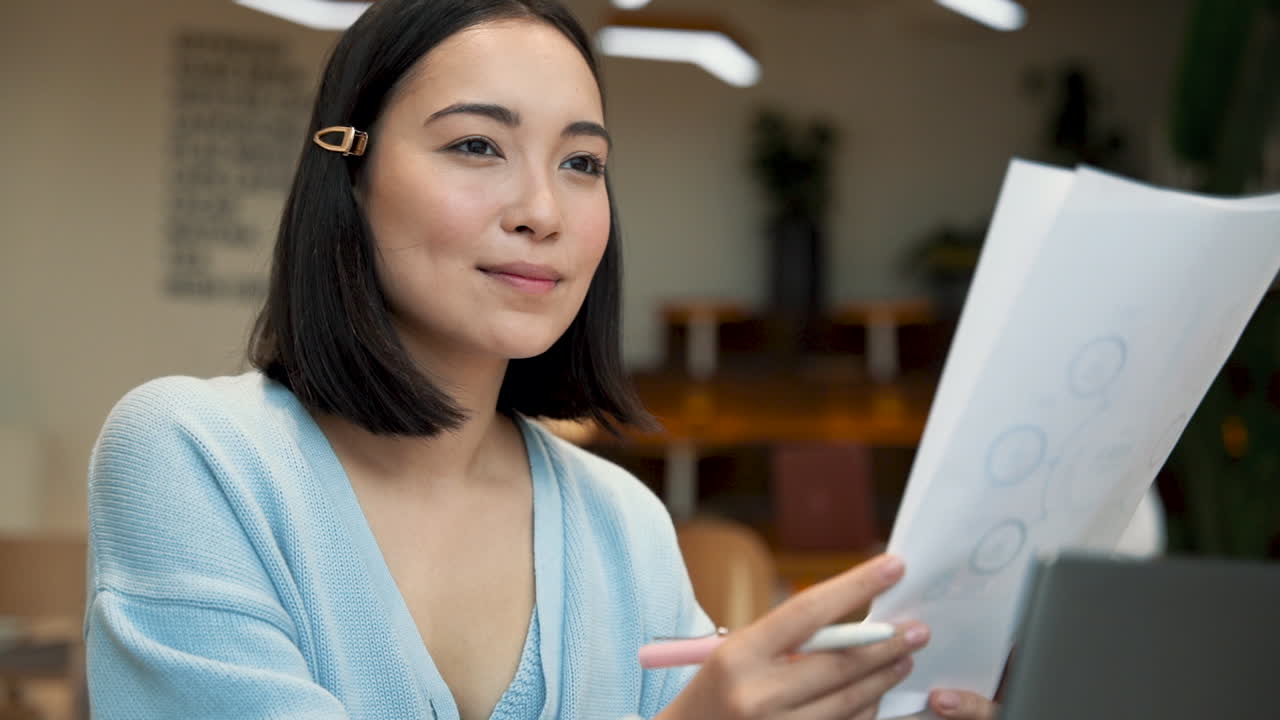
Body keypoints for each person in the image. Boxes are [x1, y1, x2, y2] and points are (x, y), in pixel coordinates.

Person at [84, 1, 997, 718]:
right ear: (349, 175)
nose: (543, 211)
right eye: (477, 145)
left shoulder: (622, 524)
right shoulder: (191, 455)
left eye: (582, 163)